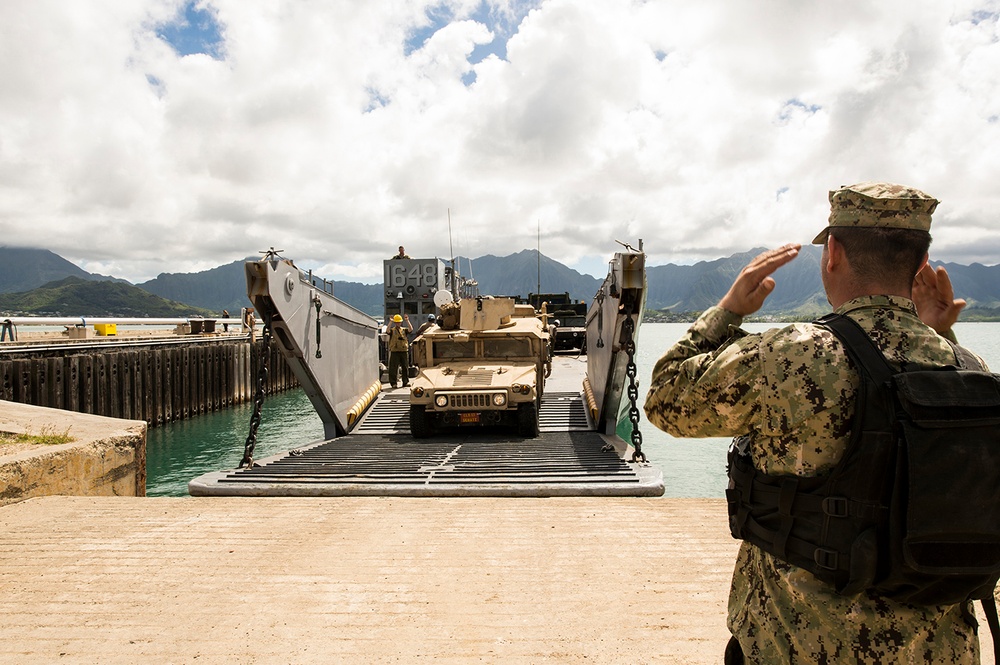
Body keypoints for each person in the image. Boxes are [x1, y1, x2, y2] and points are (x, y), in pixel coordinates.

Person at [643, 182, 984, 664]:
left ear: (834, 254)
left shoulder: (797, 355)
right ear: (921, 264)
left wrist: (726, 312)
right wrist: (939, 333)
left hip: (796, 646)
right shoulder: (969, 370)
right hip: (939, 651)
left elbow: (665, 401)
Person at [386, 313, 412, 388]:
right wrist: (390, 322)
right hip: (395, 351)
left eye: (399, 322)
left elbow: (411, 329)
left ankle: (405, 382)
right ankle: (393, 383)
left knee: (405, 367)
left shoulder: (404, 330)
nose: (398, 323)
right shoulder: (392, 330)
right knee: (393, 368)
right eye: (397, 322)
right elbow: (387, 331)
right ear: (395, 323)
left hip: (403, 351)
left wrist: (407, 321)